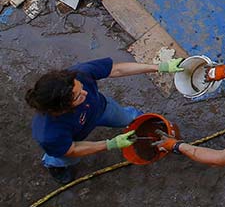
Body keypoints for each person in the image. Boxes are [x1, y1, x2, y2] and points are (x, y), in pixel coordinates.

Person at [26, 56, 184, 184]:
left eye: (81, 87)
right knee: (65, 158)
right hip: (71, 138)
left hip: (101, 109)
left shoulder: (79, 73)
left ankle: (137, 122)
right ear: (60, 108)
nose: (85, 94)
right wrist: (110, 144)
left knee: (130, 118)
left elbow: (117, 69)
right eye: (78, 96)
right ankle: (55, 166)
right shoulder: (49, 134)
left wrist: (159, 67)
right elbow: (72, 149)